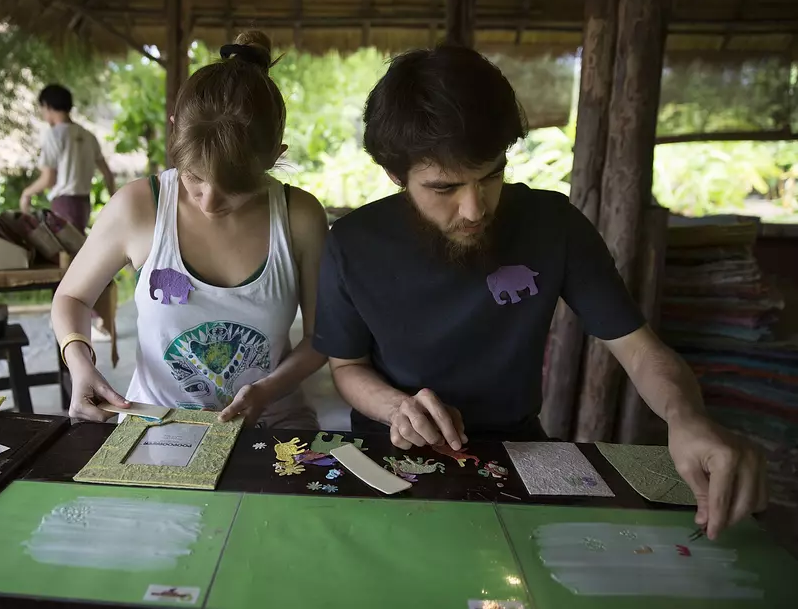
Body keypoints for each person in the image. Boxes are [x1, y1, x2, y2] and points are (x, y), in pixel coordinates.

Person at [313, 44, 767, 540]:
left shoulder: (554, 226)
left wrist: (686, 417)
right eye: (444, 188)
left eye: (490, 176)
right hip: (388, 455)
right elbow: (347, 366)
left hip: (518, 451)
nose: (473, 209)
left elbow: (638, 349)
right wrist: (395, 407)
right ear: (395, 175)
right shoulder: (352, 245)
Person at [51, 31, 329, 429]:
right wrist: (79, 362)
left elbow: (321, 336)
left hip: (271, 426)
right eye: (194, 177)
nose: (209, 201)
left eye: (235, 189)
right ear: (174, 133)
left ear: (274, 156)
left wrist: (267, 389)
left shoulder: (298, 216)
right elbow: (73, 297)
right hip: (156, 424)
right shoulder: (139, 208)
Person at [28, 83, 117, 341]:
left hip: (63, 203)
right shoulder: (87, 135)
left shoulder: (55, 135)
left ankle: (90, 319)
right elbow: (108, 173)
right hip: (82, 202)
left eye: (42, 109)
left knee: (71, 262)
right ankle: (76, 317)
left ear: (48, 107)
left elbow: (48, 178)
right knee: (77, 257)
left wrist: (26, 193)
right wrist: (113, 200)